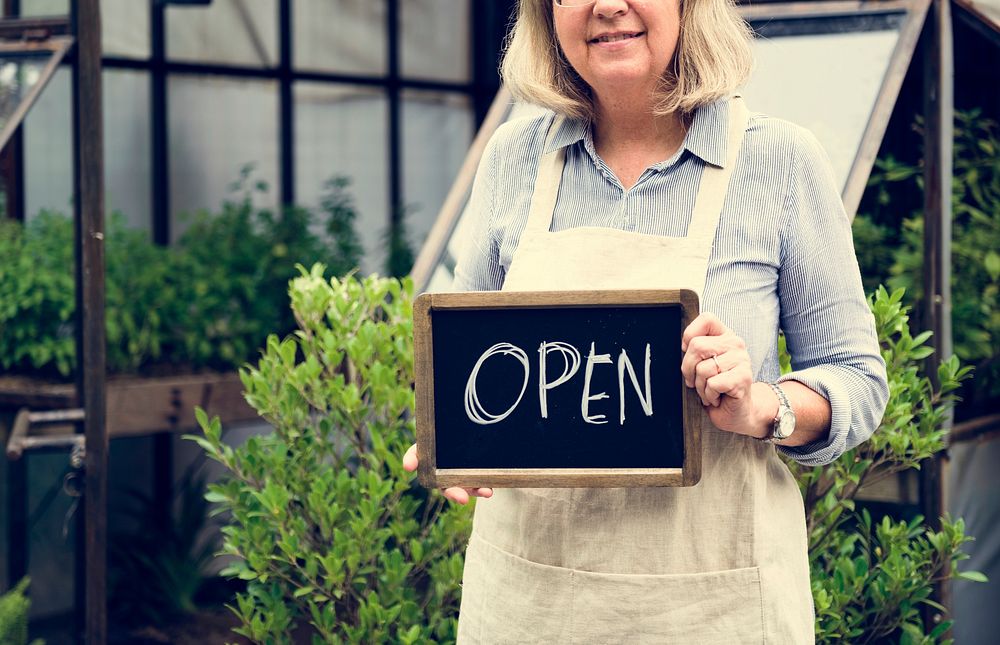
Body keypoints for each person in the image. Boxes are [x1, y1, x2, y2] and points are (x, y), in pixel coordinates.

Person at [404, 0, 888, 641]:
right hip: (532, 602)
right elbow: (470, 360)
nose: (607, 5)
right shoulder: (511, 158)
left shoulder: (780, 162)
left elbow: (858, 378)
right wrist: (456, 443)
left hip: (714, 605)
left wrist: (763, 406)